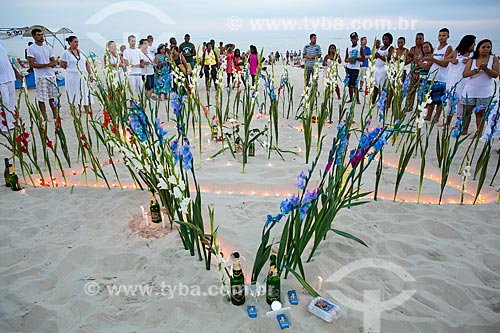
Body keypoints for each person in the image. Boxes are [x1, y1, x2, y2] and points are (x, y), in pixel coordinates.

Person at [461, 39, 499, 135]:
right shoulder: (472, 60)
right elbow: (464, 74)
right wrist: (476, 70)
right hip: (470, 90)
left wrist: (486, 69)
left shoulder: (493, 59)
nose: (486, 49)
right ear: (478, 48)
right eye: (483, 47)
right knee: (467, 112)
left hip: (485, 91)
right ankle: (464, 130)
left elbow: (495, 74)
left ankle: (479, 132)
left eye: (488, 47)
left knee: (480, 113)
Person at [26, 28, 59, 121]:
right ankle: (45, 117)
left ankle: (55, 115)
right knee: (41, 98)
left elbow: (53, 60)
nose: (41, 37)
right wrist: (47, 64)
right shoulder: (31, 48)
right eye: (38, 35)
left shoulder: (47, 47)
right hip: (41, 76)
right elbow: (32, 64)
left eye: (41, 35)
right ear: (33, 36)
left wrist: (53, 63)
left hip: (51, 75)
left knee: (53, 97)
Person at [445, 35, 475, 124]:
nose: (474, 45)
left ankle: (458, 124)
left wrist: (470, 61)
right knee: (451, 101)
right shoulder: (456, 52)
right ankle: (447, 122)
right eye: (473, 43)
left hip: (466, 82)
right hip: (454, 80)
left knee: (461, 104)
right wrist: (452, 60)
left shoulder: (473, 56)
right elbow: (446, 59)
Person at [424, 28, 453, 123]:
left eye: (443, 35)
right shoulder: (436, 48)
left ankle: (436, 118)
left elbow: (445, 63)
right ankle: (428, 116)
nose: (441, 37)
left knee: (440, 100)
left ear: (448, 36)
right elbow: (433, 61)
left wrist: (433, 59)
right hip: (432, 76)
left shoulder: (448, 48)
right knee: (430, 98)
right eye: (440, 35)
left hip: (441, 77)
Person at [59, 36, 93, 114]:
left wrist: (90, 73)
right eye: (75, 42)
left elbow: (87, 63)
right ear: (70, 42)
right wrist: (71, 70)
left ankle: (86, 109)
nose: (77, 43)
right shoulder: (66, 53)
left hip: (83, 75)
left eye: (77, 42)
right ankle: (75, 109)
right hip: (72, 76)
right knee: (74, 92)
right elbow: (62, 64)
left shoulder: (81, 51)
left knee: (84, 91)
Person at [0, 40, 23, 132]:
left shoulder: (1, 43)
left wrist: (16, 71)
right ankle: (3, 125)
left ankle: (11, 123)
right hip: (1, 79)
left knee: (11, 101)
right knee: (4, 101)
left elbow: (7, 59)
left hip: (9, 75)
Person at [372, 32, 394, 105]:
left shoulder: (390, 48)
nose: (385, 40)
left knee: (384, 87)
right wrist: (375, 56)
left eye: (387, 39)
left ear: (390, 40)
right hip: (377, 69)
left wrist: (379, 56)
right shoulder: (381, 47)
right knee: (376, 87)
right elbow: (376, 56)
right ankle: (373, 102)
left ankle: (383, 102)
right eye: (384, 39)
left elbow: (389, 59)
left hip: (384, 70)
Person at [344, 32, 365, 103]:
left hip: (356, 68)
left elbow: (363, 59)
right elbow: (345, 59)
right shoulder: (348, 48)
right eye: (353, 39)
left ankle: (357, 99)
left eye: (356, 39)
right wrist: (348, 60)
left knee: (354, 84)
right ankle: (351, 98)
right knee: (349, 84)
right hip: (349, 67)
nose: (354, 40)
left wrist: (356, 58)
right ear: (351, 39)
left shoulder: (360, 48)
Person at [123, 35, 143, 101]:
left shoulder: (138, 51)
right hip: (131, 74)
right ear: (129, 41)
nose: (133, 42)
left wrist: (139, 64)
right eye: (132, 41)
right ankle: (131, 104)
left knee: (140, 90)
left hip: (138, 73)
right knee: (131, 90)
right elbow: (125, 61)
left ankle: (140, 103)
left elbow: (141, 61)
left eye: (134, 41)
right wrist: (131, 65)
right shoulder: (126, 51)